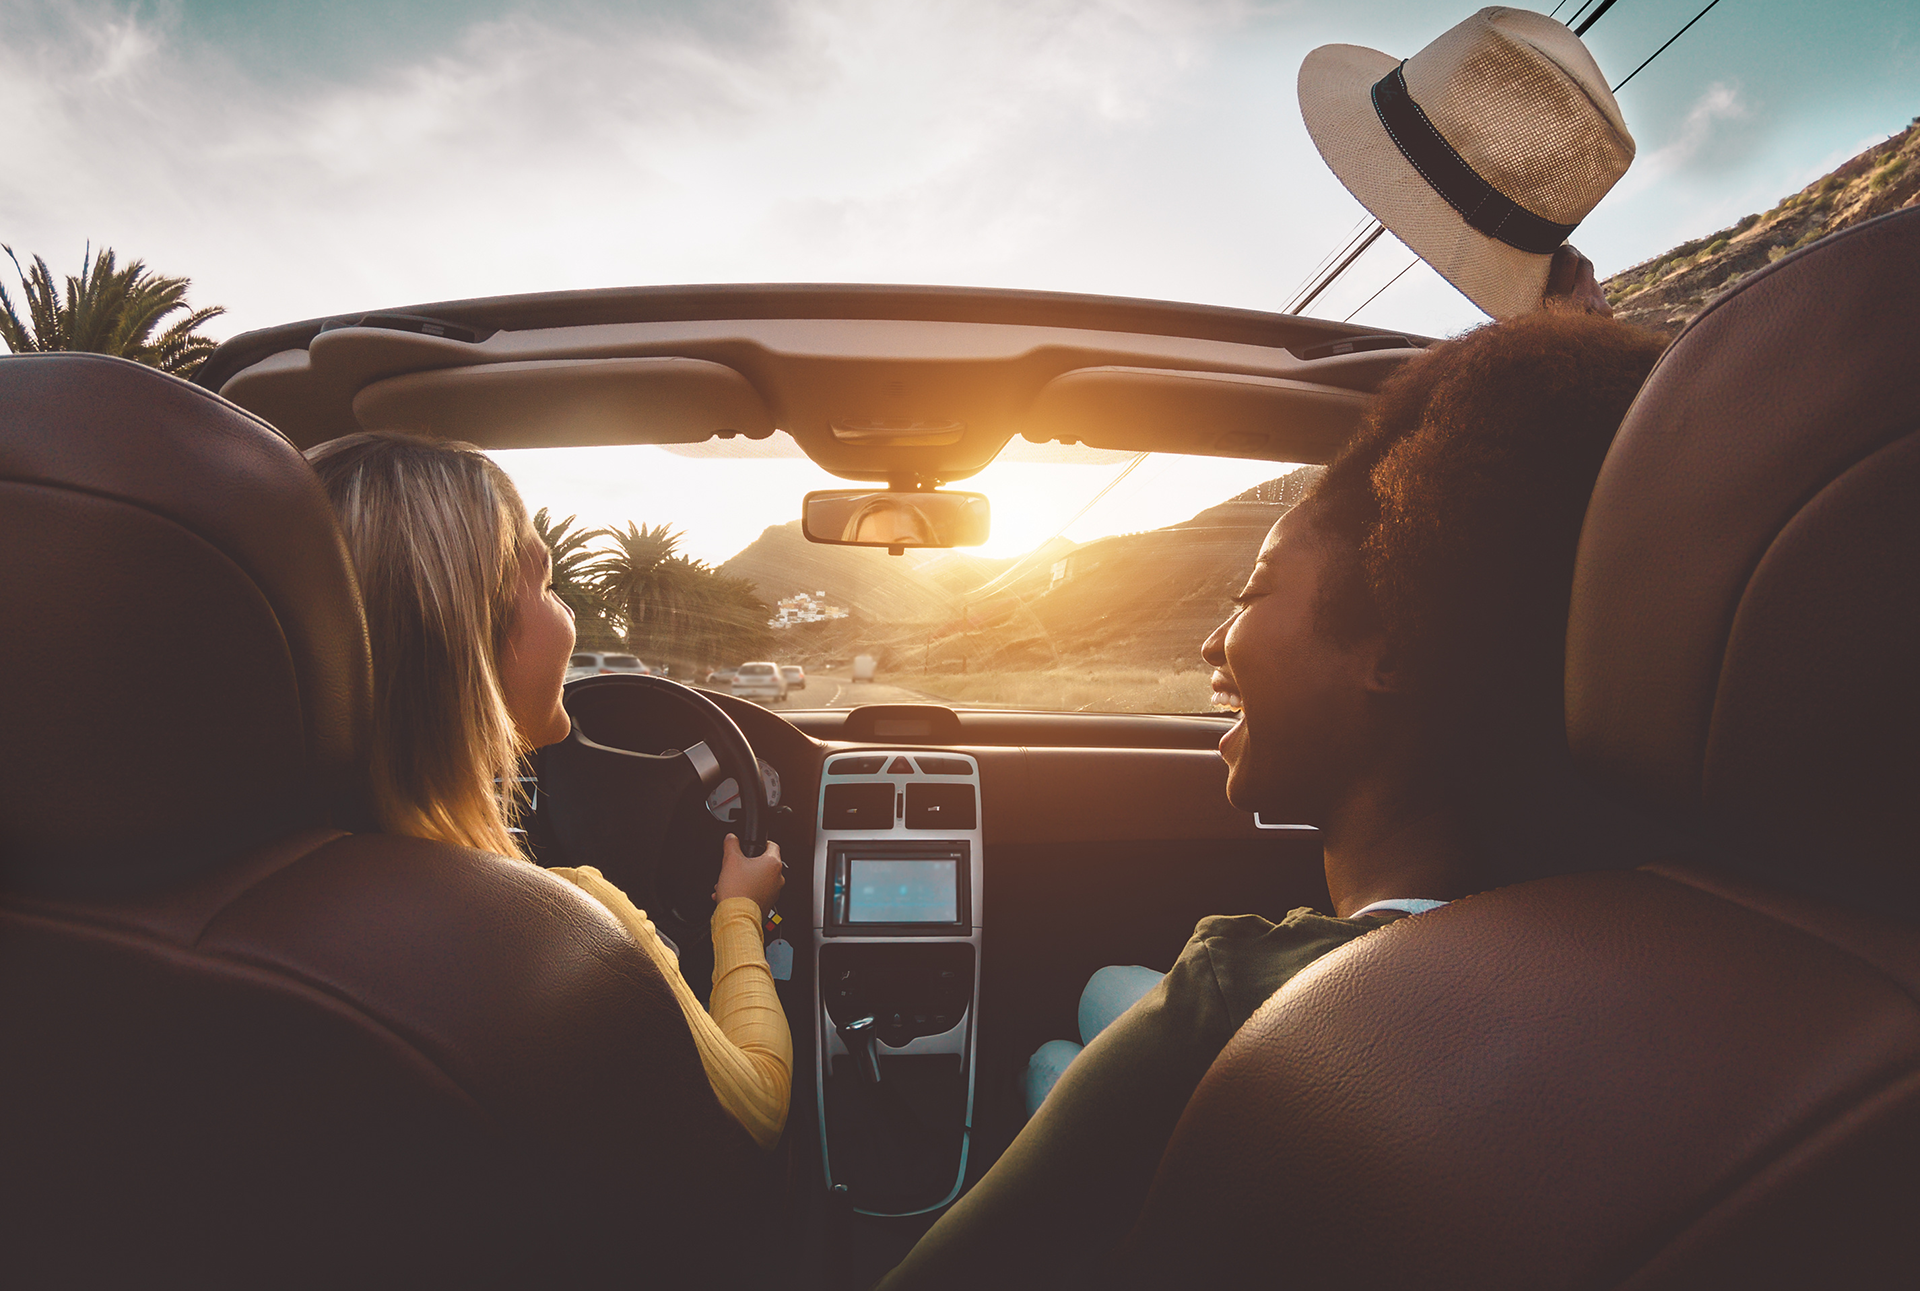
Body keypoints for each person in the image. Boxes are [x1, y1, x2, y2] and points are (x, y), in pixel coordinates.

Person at [879, 310, 1670, 1289]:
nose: (1214, 644)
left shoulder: (1229, 1003)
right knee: (1097, 998)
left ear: (1397, 646)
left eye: (1254, 593)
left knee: (1062, 1051)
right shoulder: (1662, 938)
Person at [304, 432, 793, 1150]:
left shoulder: (249, 894)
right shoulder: (563, 926)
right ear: (466, 641)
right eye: (546, 583)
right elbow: (759, 1110)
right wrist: (740, 911)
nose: (566, 617)